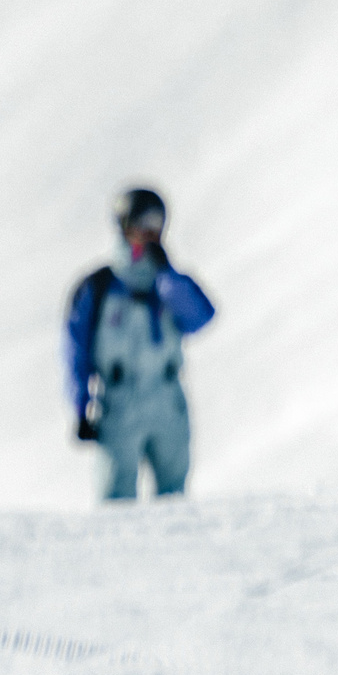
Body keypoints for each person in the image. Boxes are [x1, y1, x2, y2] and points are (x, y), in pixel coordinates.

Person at [66, 187, 215, 501]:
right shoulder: (98, 287)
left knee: (174, 498)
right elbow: (76, 353)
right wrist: (81, 405)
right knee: (116, 501)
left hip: (167, 398)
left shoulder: (169, 284)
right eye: (142, 222)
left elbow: (199, 318)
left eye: (156, 223)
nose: (149, 231)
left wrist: (167, 275)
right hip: (119, 402)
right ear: (124, 225)